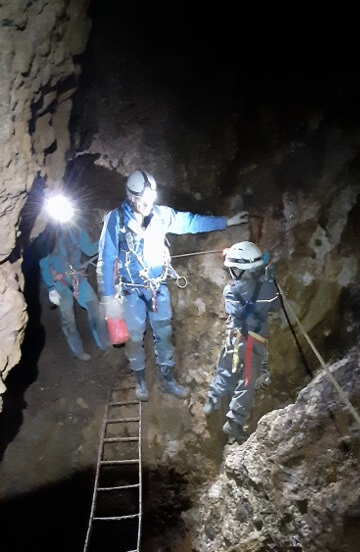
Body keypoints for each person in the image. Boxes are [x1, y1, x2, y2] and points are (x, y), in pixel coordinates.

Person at [98, 169, 248, 401]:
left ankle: (167, 380)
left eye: (150, 200)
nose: (147, 205)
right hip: (131, 292)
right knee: (135, 337)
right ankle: (140, 381)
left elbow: (190, 221)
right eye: (142, 201)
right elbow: (107, 261)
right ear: (132, 197)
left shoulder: (161, 215)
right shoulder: (115, 221)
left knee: (164, 333)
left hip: (158, 288)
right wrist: (108, 299)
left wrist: (225, 222)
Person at [203, 241, 281, 443]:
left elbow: (246, 285)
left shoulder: (230, 290)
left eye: (233, 269)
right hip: (251, 344)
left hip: (233, 338)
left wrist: (258, 266)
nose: (231, 272)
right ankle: (235, 422)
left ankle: (213, 397)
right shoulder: (267, 291)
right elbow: (275, 305)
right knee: (247, 381)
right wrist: (269, 278)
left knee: (226, 369)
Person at [39, 224, 109, 361]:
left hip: (78, 279)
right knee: (68, 320)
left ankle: (104, 343)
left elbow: (89, 250)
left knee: (96, 309)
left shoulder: (76, 231)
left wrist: (105, 241)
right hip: (60, 285)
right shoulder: (49, 237)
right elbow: (44, 263)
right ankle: (78, 351)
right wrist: (51, 288)